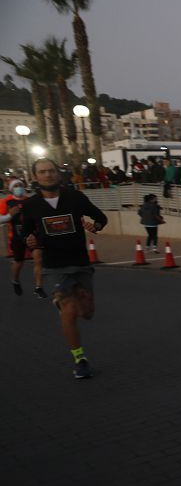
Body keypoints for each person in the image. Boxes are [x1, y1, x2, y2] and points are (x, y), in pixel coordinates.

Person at [19, 158, 108, 379]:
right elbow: (25, 232)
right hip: (54, 266)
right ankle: (79, 359)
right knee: (68, 310)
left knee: (87, 313)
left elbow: (101, 218)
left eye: (51, 171)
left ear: (58, 174)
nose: (47, 175)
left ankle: (76, 296)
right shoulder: (31, 205)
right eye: (42, 172)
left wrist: (94, 226)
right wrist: (28, 240)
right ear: (35, 177)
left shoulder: (75, 198)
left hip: (80, 262)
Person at [1, 179, 46, 298]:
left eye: (20, 185)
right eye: (16, 186)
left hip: (32, 234)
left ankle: (39, 287)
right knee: (19, 262)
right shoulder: (6, 202)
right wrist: (10, 215)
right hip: (17, 236)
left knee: (38, 258)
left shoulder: (30, 200)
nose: (18, 187)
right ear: (11, 188)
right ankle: (15, 280)